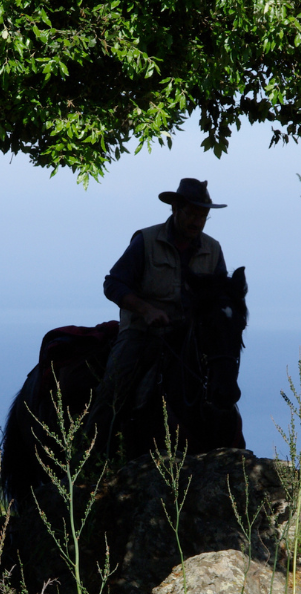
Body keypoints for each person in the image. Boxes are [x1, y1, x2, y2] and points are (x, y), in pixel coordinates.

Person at [90, 178, 228, 451]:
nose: (197, 221)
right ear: (175, 208)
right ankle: (90, 454)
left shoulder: (213, 250)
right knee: (113, 391)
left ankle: (229, 452)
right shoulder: (146, 241)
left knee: (222, 384)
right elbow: (113, 284)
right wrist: (146, 309)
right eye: (191, 213)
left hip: (191, 338)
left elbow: (220, 297)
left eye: (203, 216)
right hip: (143, 333)